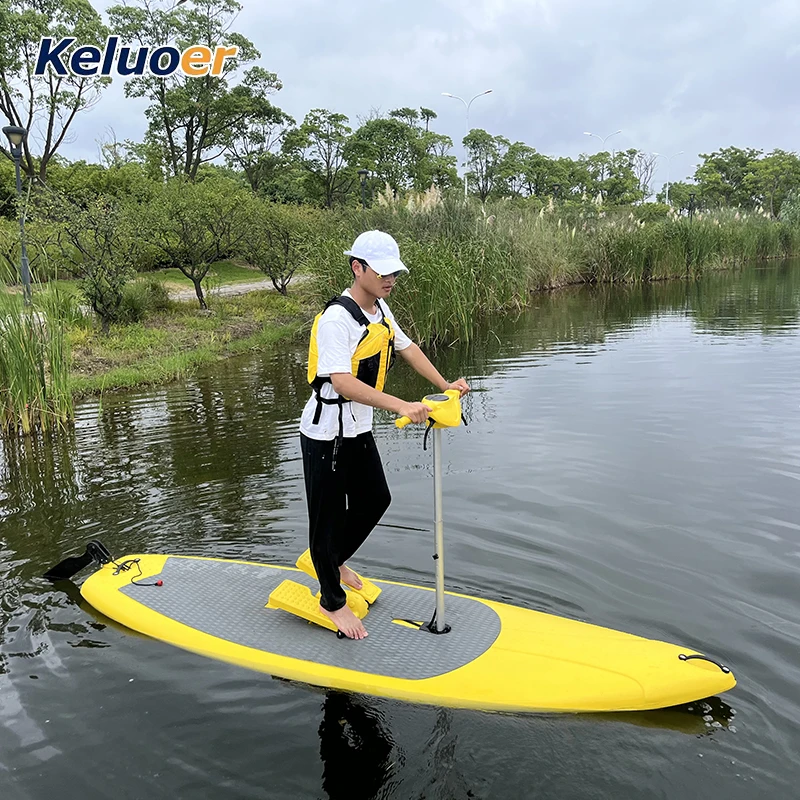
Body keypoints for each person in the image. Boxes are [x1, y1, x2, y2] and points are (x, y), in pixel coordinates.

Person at [300, 230, 470, 640]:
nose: (391, 279)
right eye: (383, 272)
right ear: (357, 268)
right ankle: (332, 601)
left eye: (395, 272)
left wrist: (445, 383)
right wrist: (400, 406)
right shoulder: (337, 318)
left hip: (357, 427)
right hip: (326, 433)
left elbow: (408, 349)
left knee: (376, 499)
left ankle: (333, 559)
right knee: (325, 520)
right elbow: (341, 382)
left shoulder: (380, 310)